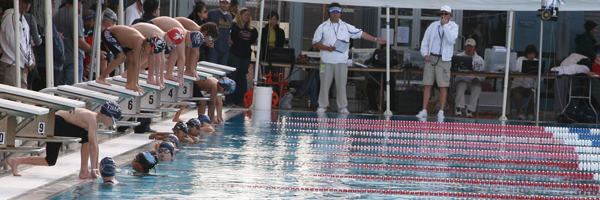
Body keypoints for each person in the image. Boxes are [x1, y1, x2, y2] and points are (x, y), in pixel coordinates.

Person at [7, 101, 122, 179]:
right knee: (86, 138)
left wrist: (96, 169)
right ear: (107, 116)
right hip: (56, 121)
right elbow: (92, 145)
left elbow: (95, 145)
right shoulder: (92, 118)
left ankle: (16, 160)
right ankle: (83, 171)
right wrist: (94, 169)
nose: (112, 123)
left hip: (57, 123)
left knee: (50, 160)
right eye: (112, 121)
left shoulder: (94, 120)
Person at [312, 2, 386, 114]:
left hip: (341, 61)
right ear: (329, 13)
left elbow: (361, 33)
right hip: (326, 61)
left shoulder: (346, 26)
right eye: (333, 11)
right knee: (324, 85)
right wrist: (327, 48)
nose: (335, 14)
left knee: (341, 85)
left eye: (337, 11)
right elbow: (316, 43)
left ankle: (342, 107)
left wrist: (375, 39)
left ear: (341, 13)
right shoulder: (322, 27)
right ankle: (322, 105)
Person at [416, 5, 459, 119]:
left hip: (444, 59)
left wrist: (445, 26)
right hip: (432, 57)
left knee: (443, 85)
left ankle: (441, 111)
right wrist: (425, 53)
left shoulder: (454, 26)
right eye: (442, 14)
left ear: (450, 15)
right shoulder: (433, 25)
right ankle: (424, 109)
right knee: (427, 84)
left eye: (446, 14)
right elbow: (425, 40)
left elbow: (451, 39)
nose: (443, 16)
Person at [98, 24, 160, 93]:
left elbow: (136, 63)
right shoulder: (139, 42)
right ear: (149, 44)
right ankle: (101, 78)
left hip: (120, 40)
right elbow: (135, 64)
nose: (149, 53)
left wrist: (136, 83)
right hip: (108, 33)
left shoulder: (142, 43)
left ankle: (129, 83)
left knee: (131, 57)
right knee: (121, 57)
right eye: (150, 51)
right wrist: (136, 84)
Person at [53, 0, 94, 85]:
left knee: (60, 90)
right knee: (73, 90)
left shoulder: (56, 15)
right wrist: (94, 52)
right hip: (74, 59)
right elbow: (79, 42)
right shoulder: (76, 17)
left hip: (59, 58)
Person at [226, 8, 258, 108]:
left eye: (248, 15)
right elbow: (228, 34)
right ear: (240, 16)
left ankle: (240, 100)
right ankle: (230, 100)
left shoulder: (252, 30)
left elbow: (253, 40)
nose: (247, 17)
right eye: (245, 15)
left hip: (245, 56)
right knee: (232, 77)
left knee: (242, 78)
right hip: (235, 54)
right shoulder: (234, 26)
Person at [146, 17, 192, 85]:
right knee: (150, 54)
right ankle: (142, 70)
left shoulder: (180, 34)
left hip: (154, 27)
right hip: (150, 25)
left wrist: (180, 77)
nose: (188, 45)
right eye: (189, 44)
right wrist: (179, 78)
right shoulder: (181, 35)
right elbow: (181, 57)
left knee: (168, 52)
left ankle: (168, 73)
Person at [0, 0, 35, 88]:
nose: (28, 5)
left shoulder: (22, 18)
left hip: (20, 64)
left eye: (29, 3)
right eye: (25, 2)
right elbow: (15, 43)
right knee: (12, 98)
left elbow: (27, 43)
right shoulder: (11, 17)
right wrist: (29, 61)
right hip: (11, 65)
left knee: (21, 97)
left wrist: (29, 61)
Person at [32, 0, 65, 91]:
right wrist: (61, 57)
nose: (54, 9)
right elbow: (54, 45)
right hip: (47, 65)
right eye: (53, 6)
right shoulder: (43, 23)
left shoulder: (47, 23)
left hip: (49, 64)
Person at [130, 23, 169, 87]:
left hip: (138, 30)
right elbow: (158, 60)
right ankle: (128, 73)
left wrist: (161, 78)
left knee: (150, 53)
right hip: (132, 32)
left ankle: (150, 78)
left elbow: (162, 59)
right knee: (146, 54)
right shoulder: (159, 37)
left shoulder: (161, 39)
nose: (172, 45)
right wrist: (158, 79)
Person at [454, 38, 484, 118]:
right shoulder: (458, 56)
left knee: (477, 88)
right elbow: (453, 69)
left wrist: (478, 79)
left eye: (471, 46)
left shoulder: (480, 59)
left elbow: (483, 75)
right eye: (467, 46)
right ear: (465, 47)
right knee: (462, 85)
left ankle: (469, 110)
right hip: (461, 80)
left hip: (473, 82)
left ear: (475, 48)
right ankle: (459, 108)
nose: (469, 48)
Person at [363, 45, 397, 114]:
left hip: (387, 79)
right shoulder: (377, 56)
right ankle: (374, 108)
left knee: (391, 90)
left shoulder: (391, 57)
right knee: (369, 88)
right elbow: (366, 63)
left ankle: (391, 108)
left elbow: (397, 63)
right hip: (376, 78)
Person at [512, 45, 538, 120]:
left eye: (533, 54)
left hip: (531, 86)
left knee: (534, 97)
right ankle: (521, 113)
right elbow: (515, 70)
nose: (531, 56)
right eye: (529, 54)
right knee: (516, 94)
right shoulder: (520, 59)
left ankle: (530, 113)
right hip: (519, 84)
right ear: (526, 54)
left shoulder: (536, 62)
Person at [207, 0, 232, 65]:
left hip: (225, 48)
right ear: (220, 3)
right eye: (223, 2)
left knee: (223, 70)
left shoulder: (230, 16)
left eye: (226, 3)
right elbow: (205, 27)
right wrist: (208, 40)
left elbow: (229, 32)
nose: (225, 5)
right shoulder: (212, 13)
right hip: (214, 47)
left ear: (229, 4)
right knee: (212, 68)